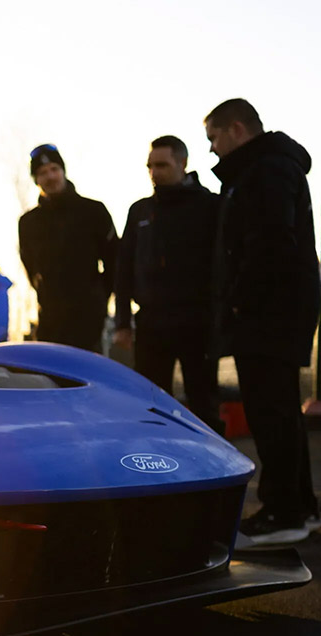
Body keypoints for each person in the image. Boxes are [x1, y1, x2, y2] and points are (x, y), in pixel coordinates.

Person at [205, 98, 321, 546]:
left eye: (214, 137)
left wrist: (240, 301)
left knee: (270, 411)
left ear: (236, 129)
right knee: (282, 409)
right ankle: (301, 507)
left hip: (268, 311)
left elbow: (269, 242)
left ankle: (282, 512)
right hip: (278, 308)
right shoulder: (267, 168)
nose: (212, 148)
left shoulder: (265, 170)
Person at [113, 136, 222, 431]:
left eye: (161, 165)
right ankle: (156, 456)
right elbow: (123, 269)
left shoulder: (210, 206)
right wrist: (122, 322)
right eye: (150, 166)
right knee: (150, 406)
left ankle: (211, 458)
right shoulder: (140, 211)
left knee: (204, 404)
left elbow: (223, 264)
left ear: (182, 163)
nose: (154, 173)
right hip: (151, 323)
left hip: (198, 322)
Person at [18, 145, 118, 352]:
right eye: (42, 173)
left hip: (89, 317)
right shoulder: (29, 222)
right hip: (50, 318)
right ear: (36, 180)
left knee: (88, 368)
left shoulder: (93, 211)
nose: (50, 177)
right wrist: (45, 294)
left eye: (54, 169)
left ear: (63, 171)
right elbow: (30, 266)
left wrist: (99, 298)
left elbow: (114, 260)